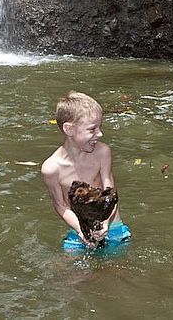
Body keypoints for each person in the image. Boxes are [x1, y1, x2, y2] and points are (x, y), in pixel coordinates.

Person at [41, 91, 131, 251]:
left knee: (117, 272)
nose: (100, 133)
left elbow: (111, 193)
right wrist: (82, 231)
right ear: (69, 129)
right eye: (92, 129)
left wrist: (105, 223)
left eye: (100, 127)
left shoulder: (103, 153)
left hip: (112, 225)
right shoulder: (51, 169)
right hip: (79, 230)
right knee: (69, 273)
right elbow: (60, 205)